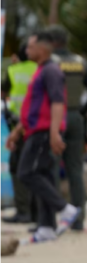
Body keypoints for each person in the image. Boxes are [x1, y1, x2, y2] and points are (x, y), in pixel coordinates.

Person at [5, 32, 81, 243]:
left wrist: (55, 132)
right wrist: (17, 131)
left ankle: (65, 209)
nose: (27, 51)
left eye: (30, 47)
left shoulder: (52, 71)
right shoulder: (40, 71)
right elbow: (32, 106)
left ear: (43, 48)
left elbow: (58, 103)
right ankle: (46, 226)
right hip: (34, 129)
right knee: (44, 175)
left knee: (26, 172)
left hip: (44, 131)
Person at [46, 25, 87, 231]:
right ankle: (77, 220)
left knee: (51, 168)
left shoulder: (48, 63)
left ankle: (51, 219)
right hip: (75, 117)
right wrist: (81, 110)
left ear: (51, 42)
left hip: (55, 119)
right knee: (75, 171)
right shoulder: (80, 62)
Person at [1, 40, 36, 224]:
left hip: (19, 123)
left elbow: (4, 90)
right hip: (37, 123)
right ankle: (37, 212)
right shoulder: (39, 68)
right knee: (36, 168)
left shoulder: (14, 70)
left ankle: (24, 211)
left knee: (18, 167)